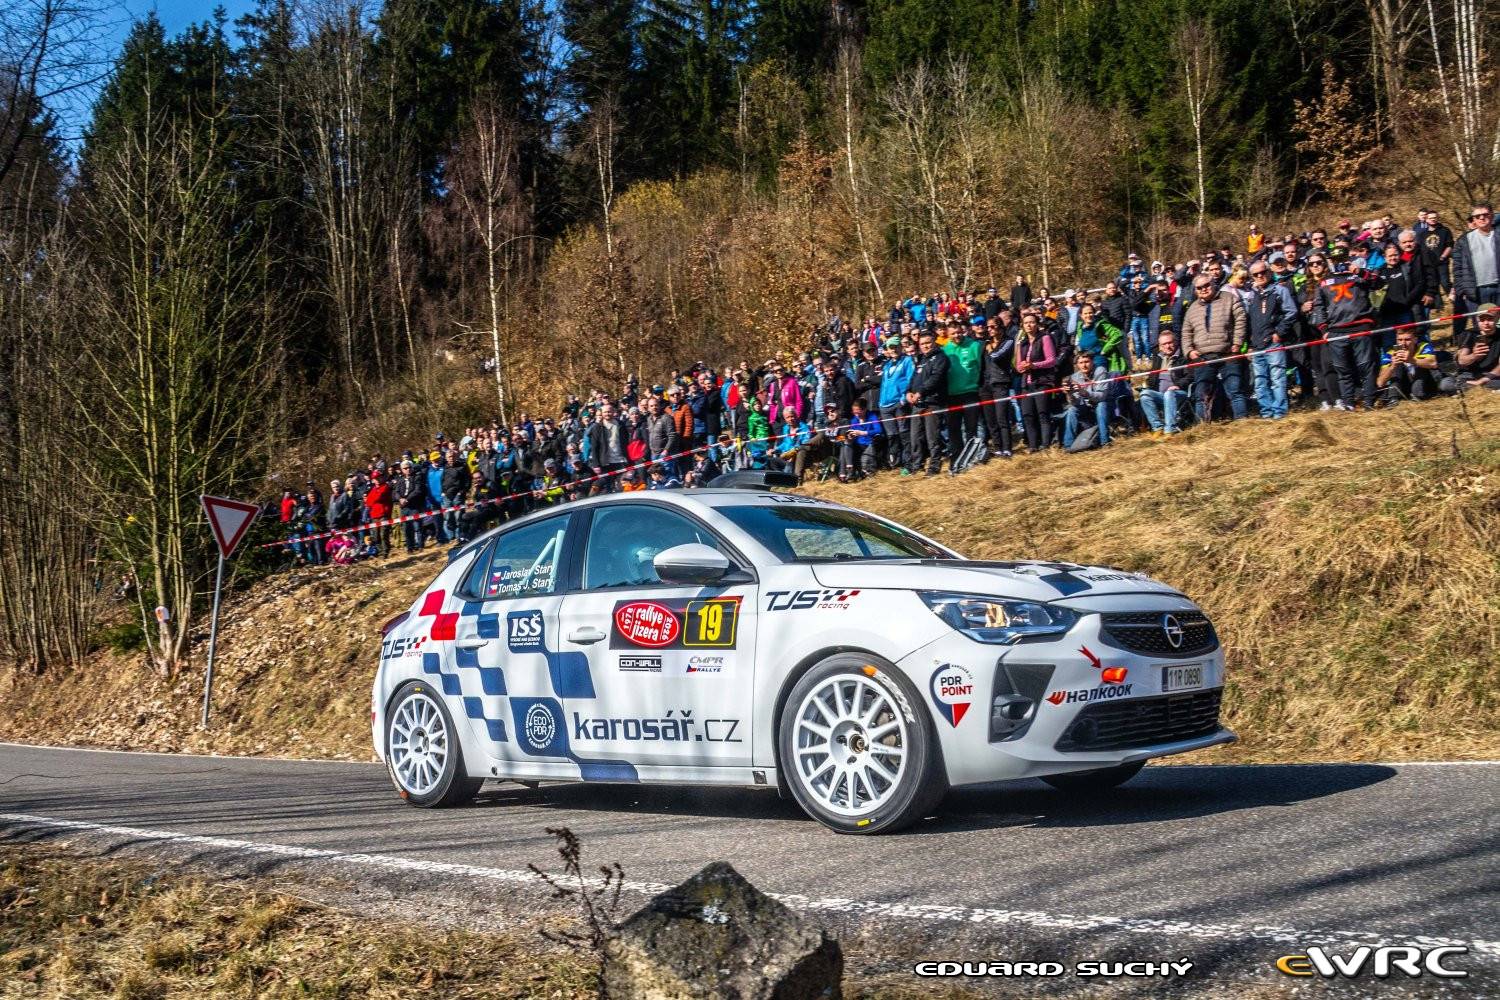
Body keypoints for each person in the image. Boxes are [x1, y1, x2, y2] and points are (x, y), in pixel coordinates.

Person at [1305, 252, 1383, 410]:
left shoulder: (1358, 275)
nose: (1339, 262)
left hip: (1360, 327)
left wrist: (1359, 271)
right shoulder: (1324, 282)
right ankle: (1348, 404)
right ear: (1330, 262)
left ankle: (1369, 402)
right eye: (1335, 260)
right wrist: (1324, 329)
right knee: (1343, 370)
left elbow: (1379, 283)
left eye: (1342, 258)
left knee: (1366, 366)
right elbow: (1319, 307)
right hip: (1336, 331)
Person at [1180, 273, 1249, 422]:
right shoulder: (1192, 308)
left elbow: (1241, 319)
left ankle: (1243, 421)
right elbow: (1186, 332)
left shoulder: (1229, 298)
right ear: (1195, 290)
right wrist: (1189, 351)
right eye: (1199, 288)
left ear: (1213, 284)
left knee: (1235, 389)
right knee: (1201, 394)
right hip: (1203, 357)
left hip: (1228, 353)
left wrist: (1237, 343)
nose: (1203, 289)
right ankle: (1202, 426)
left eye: (1206, 285)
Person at [1245, 261, 1296, 419]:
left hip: (1273, 342)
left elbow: (1291, 312)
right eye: (1256, 274)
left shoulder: (1280, 290)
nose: (1260, 276)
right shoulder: (1250, 295)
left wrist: (1279, 332)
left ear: (1269, 272)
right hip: (1256, 344)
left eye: (1263, 272)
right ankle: (1266, 412)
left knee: (1277, 378)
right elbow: (1247, 321)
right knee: (1260, 381)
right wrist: (1249, 344)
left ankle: (1279, 411)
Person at [904, 330, 949, 475]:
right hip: (918, 404)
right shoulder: (921, 359)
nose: (925, 346)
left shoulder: (941, 358)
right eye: (922, 344)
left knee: (932, 437)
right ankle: (917, 466)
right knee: (915, 437)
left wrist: (920, 392)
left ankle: (934, 467)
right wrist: (908, 391)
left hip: (933, 402)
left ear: (934, 342)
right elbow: (913, 379)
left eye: (928, 343)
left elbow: (936, 378)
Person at [1453, 203, 1500, 341]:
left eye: (1485, 215)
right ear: (1473, 219)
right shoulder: (1464, 241)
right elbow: (1457, 268)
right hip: (1475, 292)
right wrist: (1462, 290)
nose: (1481, 218)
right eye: (1477, 216)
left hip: (1498, 288)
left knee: (1499, 325)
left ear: (1492, 216)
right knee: (1481, 328)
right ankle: (1485, 353)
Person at [1014, 312, 1059, 452]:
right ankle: (1033, 446)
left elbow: (1052, 360)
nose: (1029, 325)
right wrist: (1022, 367)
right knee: (1027, 415)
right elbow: (1018, 365)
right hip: (1026, 383)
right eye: (1026, 323)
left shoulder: (1045, 338)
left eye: (1032, 322)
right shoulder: (1022, 343)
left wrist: (1034, 365)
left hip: (1042, 382)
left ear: (1037, 324)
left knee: (1042, 413)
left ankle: (1045, 445)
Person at [942, 318, 984, 468]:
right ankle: (957, 460)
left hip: (970, 392)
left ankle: (971, 458)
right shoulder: (944, 350)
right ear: (948, 334)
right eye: (953, 333)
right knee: (954, 430)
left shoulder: (974, 345)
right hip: (952, 395)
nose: (957, 335)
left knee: (971, 428)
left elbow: (981, 367)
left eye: (959, 332)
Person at [1139, 331, 1192, 435]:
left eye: (1170, 343)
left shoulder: (1183, 357)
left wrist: (1178, 385)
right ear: (1160, 346)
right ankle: (1158, 428)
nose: (1167, 346)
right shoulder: (1158, 358)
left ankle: (1170, 430)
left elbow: (1190, 376)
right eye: (1164, 344)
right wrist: (1147, 384)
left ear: (1175, 342)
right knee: (1144, 395)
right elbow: (1152, 377)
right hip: (1160, 395)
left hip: (1178, 394)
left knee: (1169, 394)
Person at [979, 316, 1016, 458]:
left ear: (1000, 327)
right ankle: (998, 447)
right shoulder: (985, 343)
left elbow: (996, 356)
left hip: (1000, 382)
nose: (989, 329)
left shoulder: (1008, 341)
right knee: (991, 420)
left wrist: (990, 348)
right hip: (985, 385)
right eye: (988, 327)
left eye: (993, 326)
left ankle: (1007, 448)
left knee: (1002, 418)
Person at [876, 337, 912, 469]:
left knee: (904, 433)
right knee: (892, 436)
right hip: (885, 405)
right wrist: (881, 402)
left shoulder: (907, 361)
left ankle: (908, 463)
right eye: (890, 347)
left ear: (901, 347)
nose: (893, 350)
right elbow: (884, 384)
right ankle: (896, 463)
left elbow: (910, 379)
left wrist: (903, 398)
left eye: (895, 346)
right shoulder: (887, 365)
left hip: (898, 403)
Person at [1377, 329, 1439, 403]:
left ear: (1415, 340)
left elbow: (1433, 364)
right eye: (1400, 340)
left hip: (1425, 385)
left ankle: (1418, 395)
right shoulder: (1390, 354)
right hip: (1405, 387)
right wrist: (1392, 366)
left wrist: (1411, 360)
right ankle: (1393, 399)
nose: (1403, 343)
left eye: (1407, 340)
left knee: (1421, 364)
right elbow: (1380, 383)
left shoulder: (1423, 346)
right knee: (1397, 363)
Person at [1062, 353, 1110, 448]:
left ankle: (1105, 441)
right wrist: (1069, 394)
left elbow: (1102, 396)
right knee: (1071, 410)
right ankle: (1068, 445)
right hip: (1085, 407)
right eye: (1081, 363)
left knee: (1101, 405)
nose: (1084, 365)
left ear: (1092, 362)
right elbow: (1075, 403)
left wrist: (1084, 392)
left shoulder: (1100, 371)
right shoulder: (1074, 377)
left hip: (1102, 405)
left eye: (1086, 362)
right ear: (1077, 365)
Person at [1456, 304, 1500, 389]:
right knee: (1446, 385)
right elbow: (1461, 361)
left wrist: (1482, 380)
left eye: (1490, 319)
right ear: (1477, 320)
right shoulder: (1469, 334)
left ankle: (1476, 386)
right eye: (1482, 320)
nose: (1486, 323)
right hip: (1469, 374)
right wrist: (1474, 355)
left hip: (1492, 374)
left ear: (1497, 318)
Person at [840, 399, 883, 480]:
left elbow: (879, 430)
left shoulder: (872, 416)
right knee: (845, 443)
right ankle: (848, 470)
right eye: (854, 412)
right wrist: (849, 436)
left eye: (858, 411)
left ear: (864, 409)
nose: (856, 414)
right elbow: (843, 436)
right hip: (857, 444)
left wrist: (863, 433)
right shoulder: (854, 420)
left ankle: (851, 472)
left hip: (870, 443)